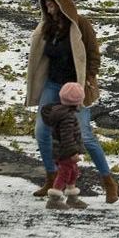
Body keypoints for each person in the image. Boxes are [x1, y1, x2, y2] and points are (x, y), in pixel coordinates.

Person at [25, 0, 119, 202]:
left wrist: (88, 79)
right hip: (52, 85)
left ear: (63, 4)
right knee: (41, 132)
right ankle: (51, 177)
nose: (48, 9)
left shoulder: (80, 24)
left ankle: (108, 182)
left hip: (76, 88)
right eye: (46, 5)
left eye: (52, 5)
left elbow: (94, 54)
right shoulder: (47, 27)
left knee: (85, 136)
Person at [41, 81, 86, 210]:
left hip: (62, 150)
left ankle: (72, 197)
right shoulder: (67, 117)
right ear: (78, 101)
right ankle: (54, 199)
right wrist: (72, 153)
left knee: (73, 172)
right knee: (64, 173)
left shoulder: (62, 113)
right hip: (65, 151)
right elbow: (67, 137)